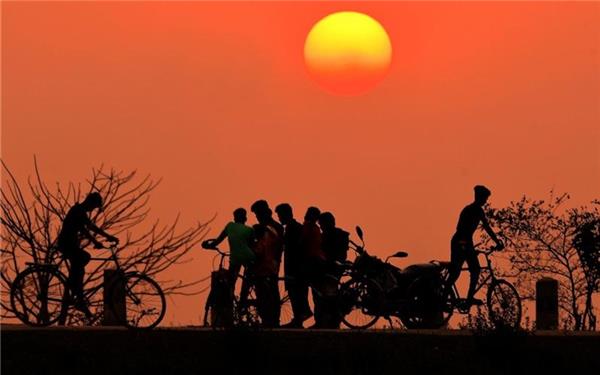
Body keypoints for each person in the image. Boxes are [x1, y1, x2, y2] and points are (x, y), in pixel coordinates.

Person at [57, 192, 118, 315]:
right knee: (83, 258)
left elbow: (91, 227)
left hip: (70, 244)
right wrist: (95, 241)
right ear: (90, 202)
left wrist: (107, 236)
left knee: (80, 262)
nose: (93, 209)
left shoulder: (80, 211)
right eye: (94, 206)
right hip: (66, 244)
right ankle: (77, 293)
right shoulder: (78, 211)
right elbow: (84, 229)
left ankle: (75, 289)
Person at [446, 185, 504, 308]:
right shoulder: (469, 210)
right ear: (479, 197)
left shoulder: (478, 211)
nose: (485, 201)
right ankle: (452, 296)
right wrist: (467, 247)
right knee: (464, 271)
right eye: (485, 198)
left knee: (465, 271)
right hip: (460, 242)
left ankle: (464, 297)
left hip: (465, 243)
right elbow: (461, 229)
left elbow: (487, 227)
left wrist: (496, 241)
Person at [275, 203, 312, 328]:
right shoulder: (295, 227)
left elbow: (295, 248)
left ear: (286, 215)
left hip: (295, 267)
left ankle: (299, 318)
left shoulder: (293, 228)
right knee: (297, 293)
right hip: (297, 267)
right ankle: (299, 319)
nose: (279, 218)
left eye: (280, 216)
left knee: (296, 293)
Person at [205, 208, 256, 298]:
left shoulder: (230, 226)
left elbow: (218, 240)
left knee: (231, 280)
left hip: (235, 257)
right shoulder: (249, 230)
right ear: (245, 218)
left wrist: (209, 245)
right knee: (248, 278)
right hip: (249, 256)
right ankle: (243, 300)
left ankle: (229, 296)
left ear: (234, 218)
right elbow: (252, 245)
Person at [250, 200, 284, 328]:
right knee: (272, 292)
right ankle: (272, 320)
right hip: (273, 263)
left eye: (257, 214)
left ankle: (269, 319)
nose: (257, 217)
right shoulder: (277, 226)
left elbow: (262, 247)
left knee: (264, 292)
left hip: (265, 264)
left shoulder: (266, 228)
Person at [318, 211, 350, 328]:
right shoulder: (341, 235)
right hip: (337, 268)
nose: (321, 227)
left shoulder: (329, 236)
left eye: (321, 224)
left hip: (330, 268)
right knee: (332, 294)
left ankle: (328, 321)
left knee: (328, 295)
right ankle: (333, 321)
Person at [300, 206, 327, 328]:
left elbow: (303, 242)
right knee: (318, 292)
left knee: (314, 292)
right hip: (320, 261)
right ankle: (320, 319)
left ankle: (316, 319)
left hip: (312, 261)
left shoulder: (308, 227)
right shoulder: (316, 228)